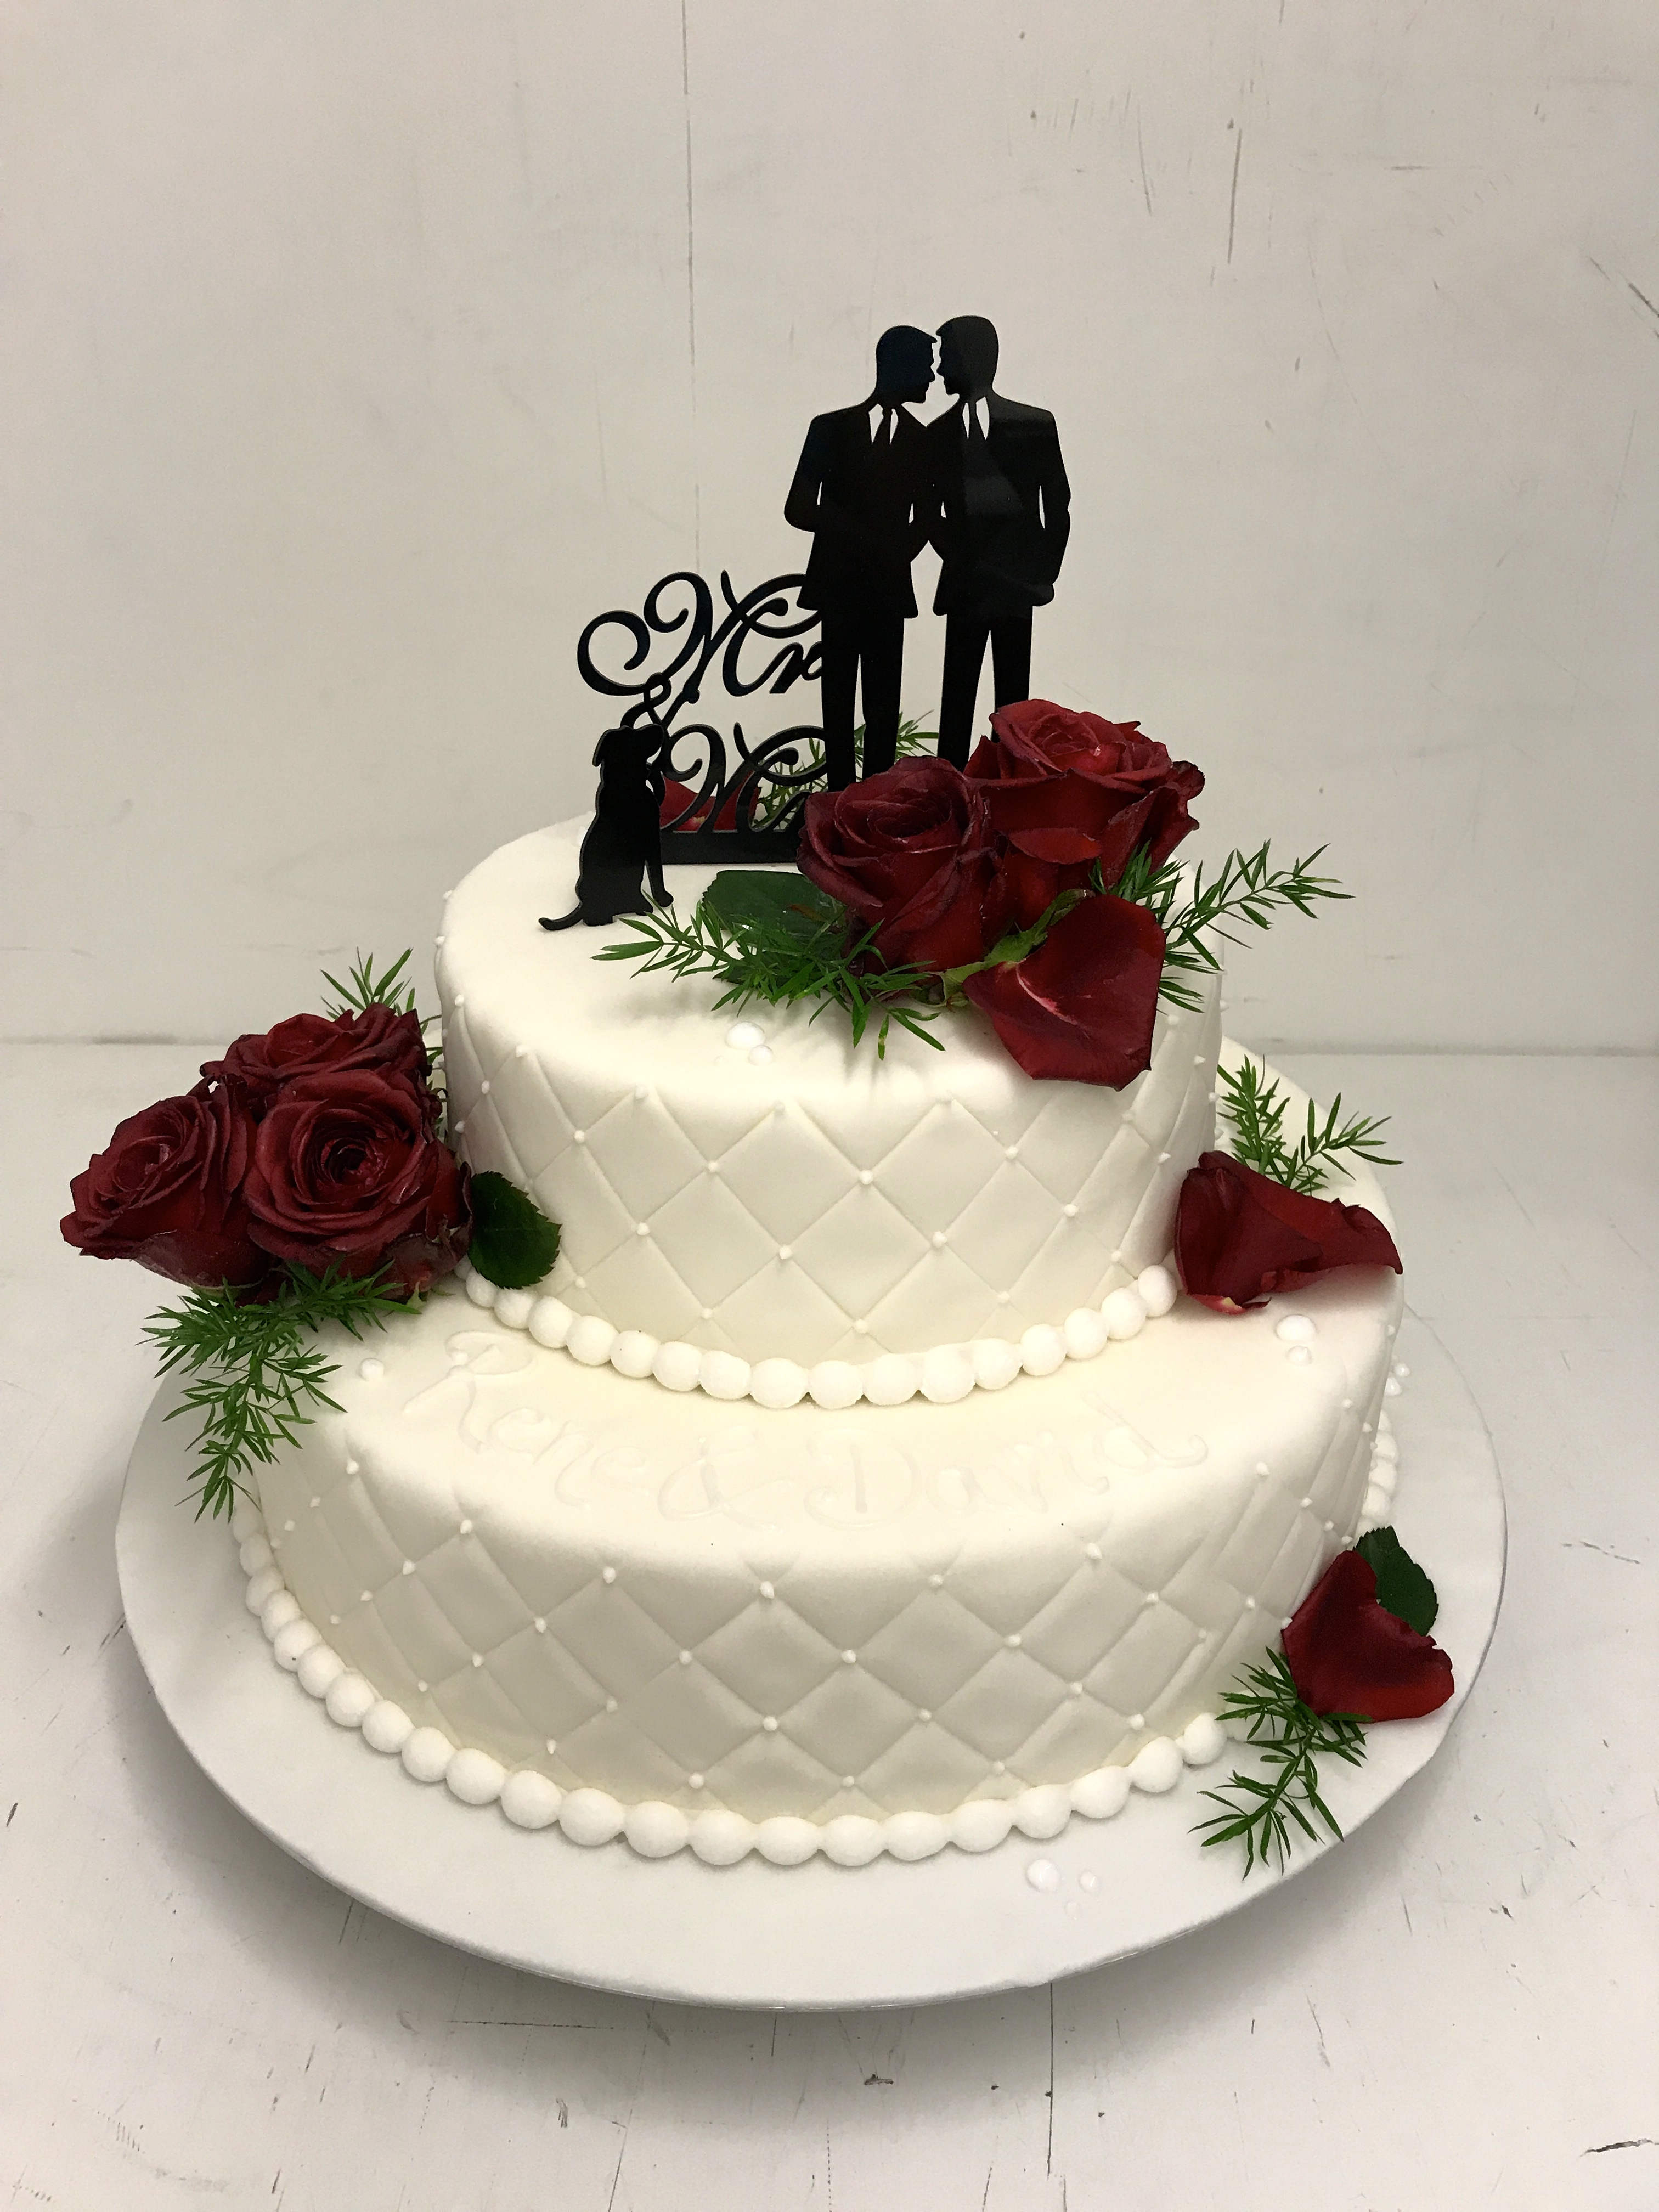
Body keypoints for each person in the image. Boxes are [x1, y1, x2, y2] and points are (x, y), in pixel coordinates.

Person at [785, 325, 938, 788]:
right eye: (925, 366)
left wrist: (895, 554)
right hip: (838, 588)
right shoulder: (830, 429)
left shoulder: (923, 441)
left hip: (888, 592)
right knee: (837, 701)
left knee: (883, 707)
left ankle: (876, 797)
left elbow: (927, 518)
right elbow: (798, 507)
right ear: (899, 366)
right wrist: (859, 538)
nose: (932, 377)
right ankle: (835, 796)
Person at [927, 316, 1070, 768]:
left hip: (1016, 591)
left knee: (1012, 709)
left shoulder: (1034, 425)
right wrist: (963, 557)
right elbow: (929, 516)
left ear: (969, 359)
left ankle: (1007, 786)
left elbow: (1058, 505)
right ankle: (948, 788)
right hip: (965, 589)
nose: (940, 369)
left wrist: (1042, 573)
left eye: (947, 358)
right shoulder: (936, 436)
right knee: (956, 705)